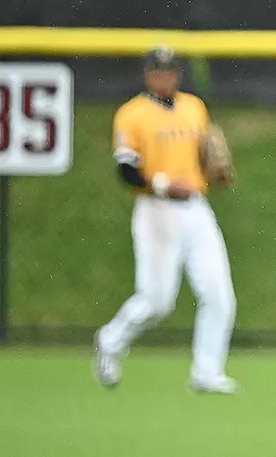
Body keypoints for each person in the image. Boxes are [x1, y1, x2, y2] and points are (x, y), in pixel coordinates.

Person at [93, 47, 238, 393]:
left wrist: (214, 171)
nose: (165, 76)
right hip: (156, 211)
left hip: (196, 210)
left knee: (219, 295)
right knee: (157, 302)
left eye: (171, 70)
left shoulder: (194, 108)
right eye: (158, 70)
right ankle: (110, 340)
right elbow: (126, 171)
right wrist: (161, 183)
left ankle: (206, 372)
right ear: (147, 74)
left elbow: (205, 155)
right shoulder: (131, 115)